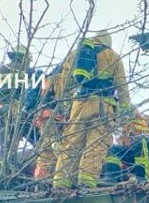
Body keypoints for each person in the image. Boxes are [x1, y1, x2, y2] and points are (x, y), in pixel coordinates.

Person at [51, 32, 131, 189]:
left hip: (78, 104)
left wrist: (66, 105)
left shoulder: (76, 54)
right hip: (103, 107)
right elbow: (122, 88)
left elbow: (63, 83)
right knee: (96, 143)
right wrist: (124, 113)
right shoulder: (113, 56)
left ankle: (61, 182)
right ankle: (86, 182)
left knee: (71, 143)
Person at [0, 45, 32, 163]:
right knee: (30, 132)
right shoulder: (27, 72)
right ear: (23, 58)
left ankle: (4, 164)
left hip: (1, 108)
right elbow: (32, 94)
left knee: (4, 142)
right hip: (18, 109)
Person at [102, 114, 149, 183]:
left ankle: (141, 176)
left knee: (139, 141)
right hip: (134, 154)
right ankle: (111, 177)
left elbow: (140, 136)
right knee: (113, 149)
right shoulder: (125, 130)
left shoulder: (137, 123)